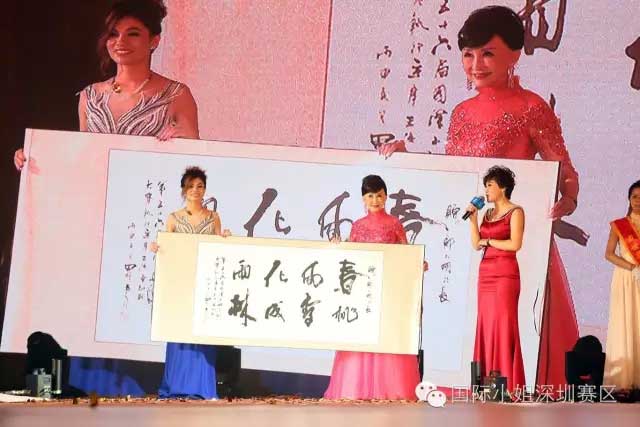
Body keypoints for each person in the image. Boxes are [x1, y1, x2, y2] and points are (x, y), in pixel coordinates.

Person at [379, 5, 580, 389]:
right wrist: (407, 158)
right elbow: (455, 175)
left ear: (514, 54)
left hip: (517, 242)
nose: (475, 65)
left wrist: (567, 199)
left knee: (518, 332)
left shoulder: (532, 108)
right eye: (468, 54)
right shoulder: (461, 112)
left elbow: (565, 169)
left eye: (487, 53)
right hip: (471, 240)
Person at [13, 0, 198, 171]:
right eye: (113, 34)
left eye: (133, 33)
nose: (121, 42)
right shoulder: (90, 96)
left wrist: (188, 143)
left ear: (154, 40)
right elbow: (82, 159)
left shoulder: (176, 95)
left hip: (145, 192)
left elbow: (196, 164)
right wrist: (35, 156)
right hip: (95, 193)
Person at [324, 175, 421, 400]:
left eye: (379, 195)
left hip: (388, 291)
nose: (375, 200)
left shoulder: (394, 224)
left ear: (386, 197)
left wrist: (418, 263)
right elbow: (351, 258)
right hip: (363, 291)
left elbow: (405, 253)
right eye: (370, 196)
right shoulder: (357, 226)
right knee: (362, 334)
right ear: (363, 199)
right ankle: (355, 388)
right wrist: (338, 248)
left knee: (387, 334)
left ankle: (390, 388)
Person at [150, 166, 231, 399]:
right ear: (184, 189)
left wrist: (225, 239)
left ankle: (202, 387)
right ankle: (176, 384)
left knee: (201, 332)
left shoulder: (213, 217)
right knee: (179, 331)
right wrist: (157, 248)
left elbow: (217, 248)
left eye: (200, 186)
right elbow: (167, 247)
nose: (196, 190)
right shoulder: (174, 218)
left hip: (204, 284)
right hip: (179, 284)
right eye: (191, 186)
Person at [466, 166, 525, 392]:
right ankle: (485, 383)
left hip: (505, 274)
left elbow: (515, 244)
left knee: (503, 325)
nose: (486, 190)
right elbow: (476, 244)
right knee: (486, 323)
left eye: (490, 185)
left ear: (503, 187)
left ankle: (506, 383)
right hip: (486, 274)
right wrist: (473, 220)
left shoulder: (516, 211)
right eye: (485, 186)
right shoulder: (487, 214)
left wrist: (489, 242)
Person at [603, 180, 640, 393]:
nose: (638, 201)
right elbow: (609, 254)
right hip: (626, 278)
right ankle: (626, 381)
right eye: (634, 197)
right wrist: (632, 267)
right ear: (629, 199)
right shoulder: (619, 225)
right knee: (626, 323)